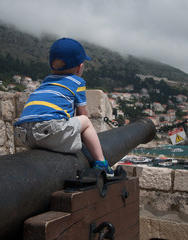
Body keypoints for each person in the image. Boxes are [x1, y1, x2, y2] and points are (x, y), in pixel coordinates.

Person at [14, 37, 114, 177]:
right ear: (79, 67)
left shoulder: (46, 82)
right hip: (48, 129)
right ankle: (101, 162)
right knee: (85, 122)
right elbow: (83, 115)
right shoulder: (77, 82)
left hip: (23, 133)